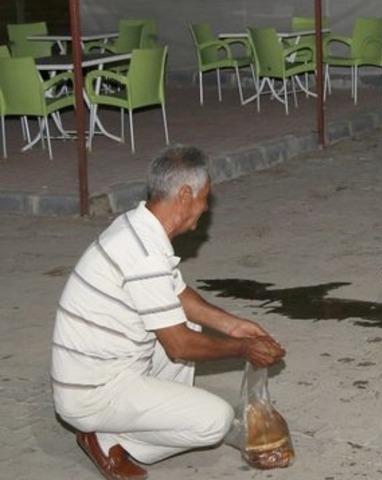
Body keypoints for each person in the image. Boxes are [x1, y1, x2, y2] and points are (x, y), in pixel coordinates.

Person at [51, 145, 285, 480]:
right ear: (186, 194)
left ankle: (150, 413)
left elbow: (177, 293)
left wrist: (234, 327)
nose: (206, 207)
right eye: (205, 198)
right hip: (92, 394)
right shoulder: (143, 252)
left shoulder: (138, 226)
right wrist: (243, 349)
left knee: (184, 317)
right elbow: (179, 345)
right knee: (214, 422)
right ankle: (108, 440)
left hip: (110, 370)